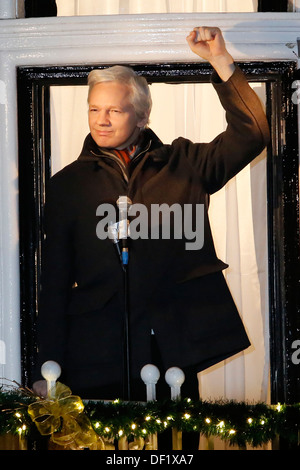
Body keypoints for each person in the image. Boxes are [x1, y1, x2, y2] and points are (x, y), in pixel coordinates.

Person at [32, 27, 269, 403]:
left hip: (174, 349)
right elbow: (55, 282)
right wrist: (47, 366)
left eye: (114, 110)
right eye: (94, 109)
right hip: (97, 354)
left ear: (141, 116)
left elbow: (253, 133)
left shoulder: (186, 163)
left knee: (175, 449)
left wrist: (220, 60)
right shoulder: (67, 185)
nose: (101, 120)